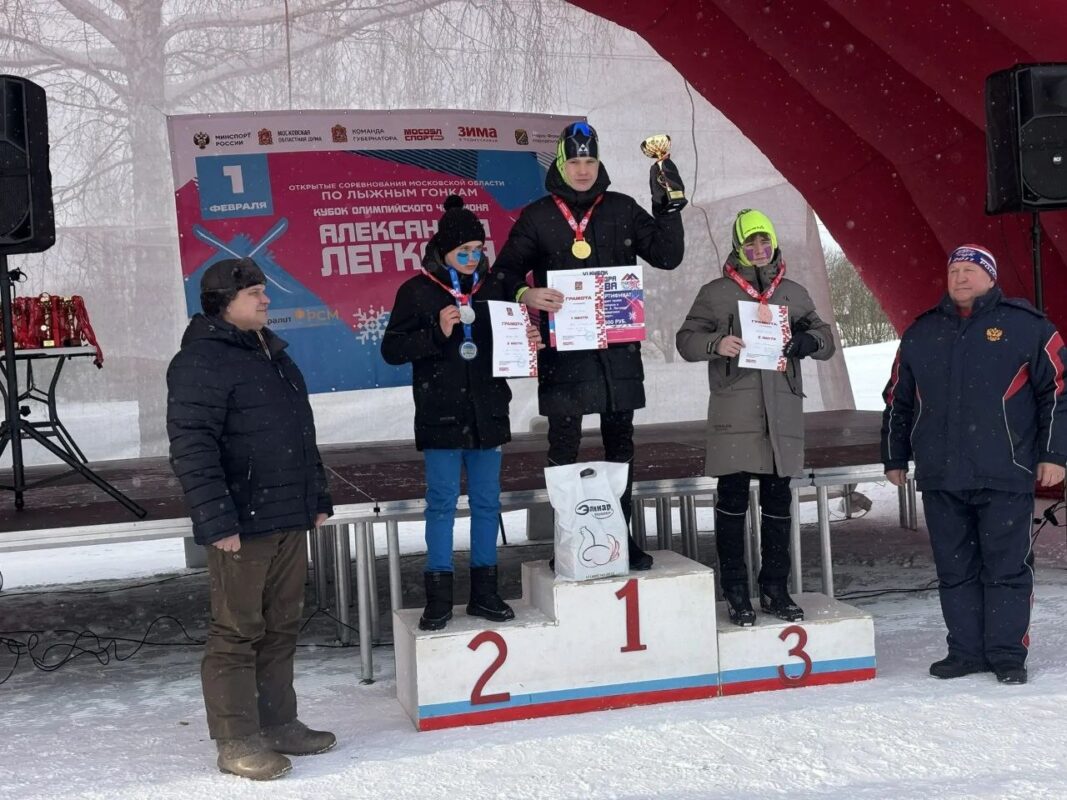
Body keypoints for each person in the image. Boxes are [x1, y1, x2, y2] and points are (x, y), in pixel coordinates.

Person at [166, 258, 335, 781]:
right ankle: (237, 739)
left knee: (281, 626)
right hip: (242, 522)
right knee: (237, 631)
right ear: (224, 303)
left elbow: (300, 433)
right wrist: (217, 521)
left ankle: (278, 723)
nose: (266, 300)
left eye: (264, 291)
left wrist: (317, 496)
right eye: (255, 293)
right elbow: (192, 448)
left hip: (287, 514)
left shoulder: (271, 352)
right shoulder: (200, 361)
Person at [492, 121, 686, 570]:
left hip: (618, 354)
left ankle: (622, 536)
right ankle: (568, 539)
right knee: (564, 448)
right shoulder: (539, 216)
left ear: (599, 163)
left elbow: (667, 256)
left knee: (622, 447)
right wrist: (525, 293)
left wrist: (668, 208)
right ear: (561, 164)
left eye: (590, 160)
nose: (583, 169)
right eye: (575, 161)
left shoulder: (622, 208)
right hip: (565, 356)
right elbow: (501, 275)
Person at [881, 243, 1067, 685]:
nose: (960, 278)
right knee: (955, 568)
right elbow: (897, 399)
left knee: (1006, 567)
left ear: (990, 277)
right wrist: (894, 455)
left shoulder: (1028, 327)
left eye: (970, 270)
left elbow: (1059, 393)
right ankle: (965, 652)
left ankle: (1006, 655)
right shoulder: (921, 332)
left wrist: (1054, 454)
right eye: (954, 271)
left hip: (1006, 471)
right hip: (941, 474)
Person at [381, 195, 542, 631]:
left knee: (488, 503)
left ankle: (484, 593)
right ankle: (438, 597)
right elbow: (392, 349)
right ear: (442, 251)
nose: (472, 259)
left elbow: (508, 347)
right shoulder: (416, 291)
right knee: (441, 504)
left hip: (488, 413)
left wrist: (528, 340)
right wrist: (438, 331)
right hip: (441, 416)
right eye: (463, 252)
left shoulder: (494, 288)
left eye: (477, 250)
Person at [675, 209, 835, 625]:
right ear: (738, 246)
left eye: (765, 241)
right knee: (731, 501)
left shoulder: (793, 293)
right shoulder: (716, 293)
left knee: (778, 502)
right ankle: (735, 591)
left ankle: (775, 589)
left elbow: (827, 339)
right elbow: (686, 340)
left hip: (781, 413)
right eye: (750, 242)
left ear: (774, 243)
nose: (759, 249)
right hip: (735, 411)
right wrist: (716, 343)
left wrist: (808, 340)